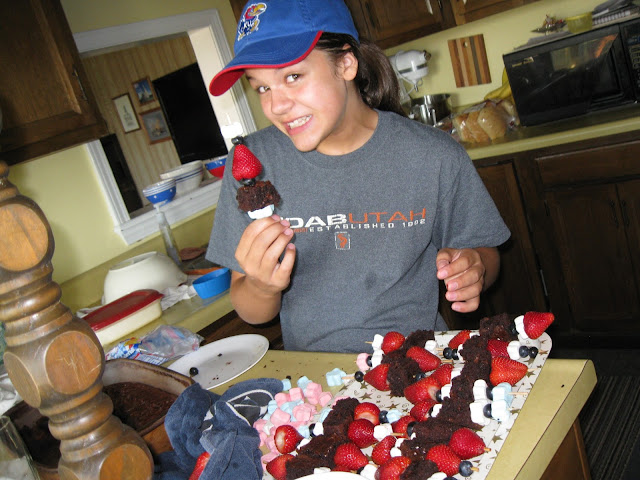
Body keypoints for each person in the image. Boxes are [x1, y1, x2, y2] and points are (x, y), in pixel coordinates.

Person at [205, 0, 510, 353]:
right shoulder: (251, 164)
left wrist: (474, 269)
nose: (276, 106)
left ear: (346, 63)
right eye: (261, 87)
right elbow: (252, 312)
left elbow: (485, 252)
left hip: (417, 361)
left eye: (292, 77)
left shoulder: (433, 155)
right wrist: (262, 286)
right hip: (313, 374)